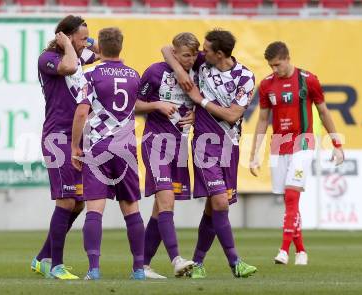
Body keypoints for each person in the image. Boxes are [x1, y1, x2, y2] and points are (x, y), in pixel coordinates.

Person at [163, 28, 257, 278]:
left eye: (206, 49)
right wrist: (182, 74)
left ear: (220, 54)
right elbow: (165, 50)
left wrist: (199, 100)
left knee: (213, 208)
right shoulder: (203, 63)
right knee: (220, 203)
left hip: (230, 144)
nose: (201, 53)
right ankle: (235, 262)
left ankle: (198, 262)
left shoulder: (245, 76)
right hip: (205, 143)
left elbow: (233, 115)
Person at [249, 41, 344, 265]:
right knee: (290, 201)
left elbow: (323, 112)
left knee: (292, 196)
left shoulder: (308, 79)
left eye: (277, 64)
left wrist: (337, 144)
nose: (274, 69)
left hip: (303, 142)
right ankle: (301, 250)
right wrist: (255, 153)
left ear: (288, 58)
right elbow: (263, 119)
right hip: (278, 145)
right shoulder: (266, 85)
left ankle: (283, 250)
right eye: (271, 65)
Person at [71, 27, 145, 280]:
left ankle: (94, 269)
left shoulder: (91, 75)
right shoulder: (134, 75)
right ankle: (138, 269)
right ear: (121, 46)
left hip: (99, 147)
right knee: (131, 208)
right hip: (126, 148)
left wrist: (74, 146)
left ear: (99, 46)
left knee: (95, 209)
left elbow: (82, 112)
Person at [31, 15, 99, 280]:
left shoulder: (79, 54)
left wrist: (85, 41)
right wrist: (70, 45)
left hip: (77, 138)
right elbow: (69, 67)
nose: (86, 44)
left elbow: (103, 51)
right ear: (66, 37)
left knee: (79, 203)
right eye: (81, 38)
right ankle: (55, 266)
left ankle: (41, 258)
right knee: (67, 199)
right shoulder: (47, 58)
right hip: (57, 137)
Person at [135, 32, 198, 279]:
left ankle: (142, 265)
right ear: (174, 52)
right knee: (167, 200)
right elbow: (134, 105)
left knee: (160, 209)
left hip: (180, 146)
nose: (190, 60)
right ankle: (176, 259)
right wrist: (157, 105)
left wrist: (195, 116)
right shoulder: (155, 72)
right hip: (156, 143)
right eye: (185, 55)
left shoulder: (198, 73)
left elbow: (199, 104)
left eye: (193, 55)